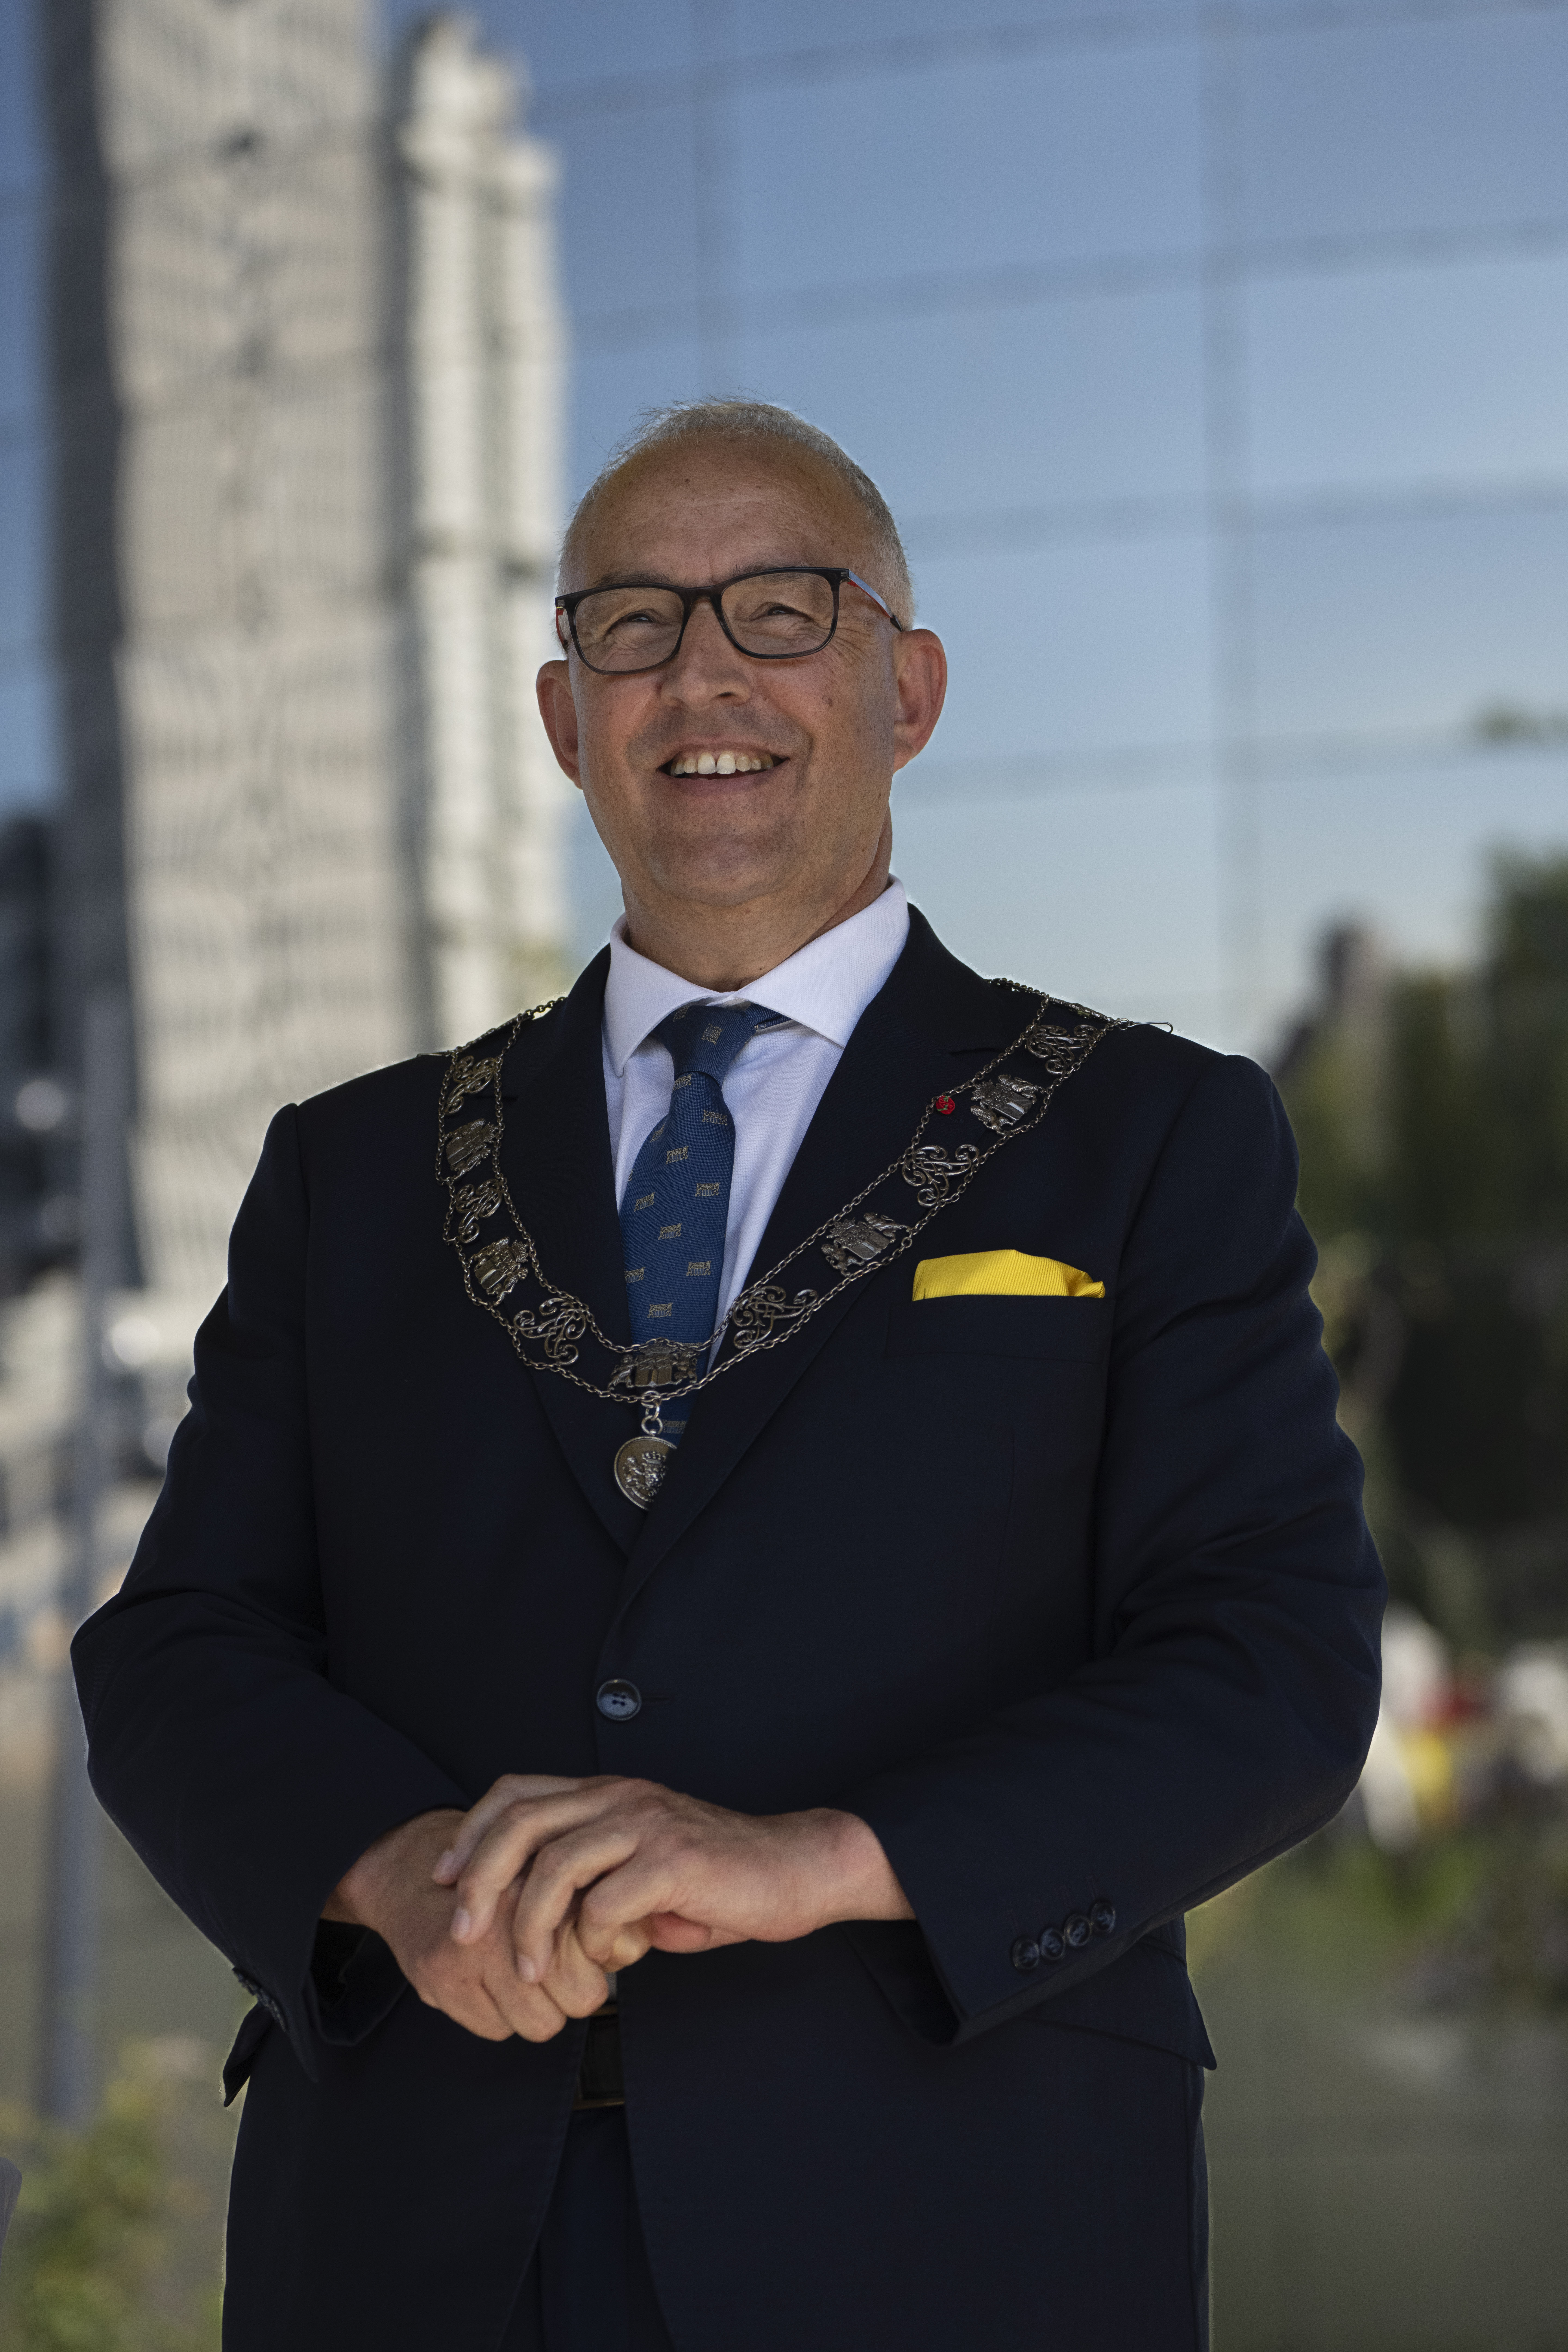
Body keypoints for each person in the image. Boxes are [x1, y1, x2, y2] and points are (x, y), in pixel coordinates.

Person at [73, 399, 1382, 2351]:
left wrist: (807, 1865)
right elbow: (178, 1648)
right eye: (633, 625)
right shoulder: (350, 1172)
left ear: (907, 690)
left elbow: (1270, 1671)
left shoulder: (1151, 1139)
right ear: (559, 716)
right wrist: (401, 1871)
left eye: (781, 610)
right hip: (411, 2234)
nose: (702, 672)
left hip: (960, 2221)